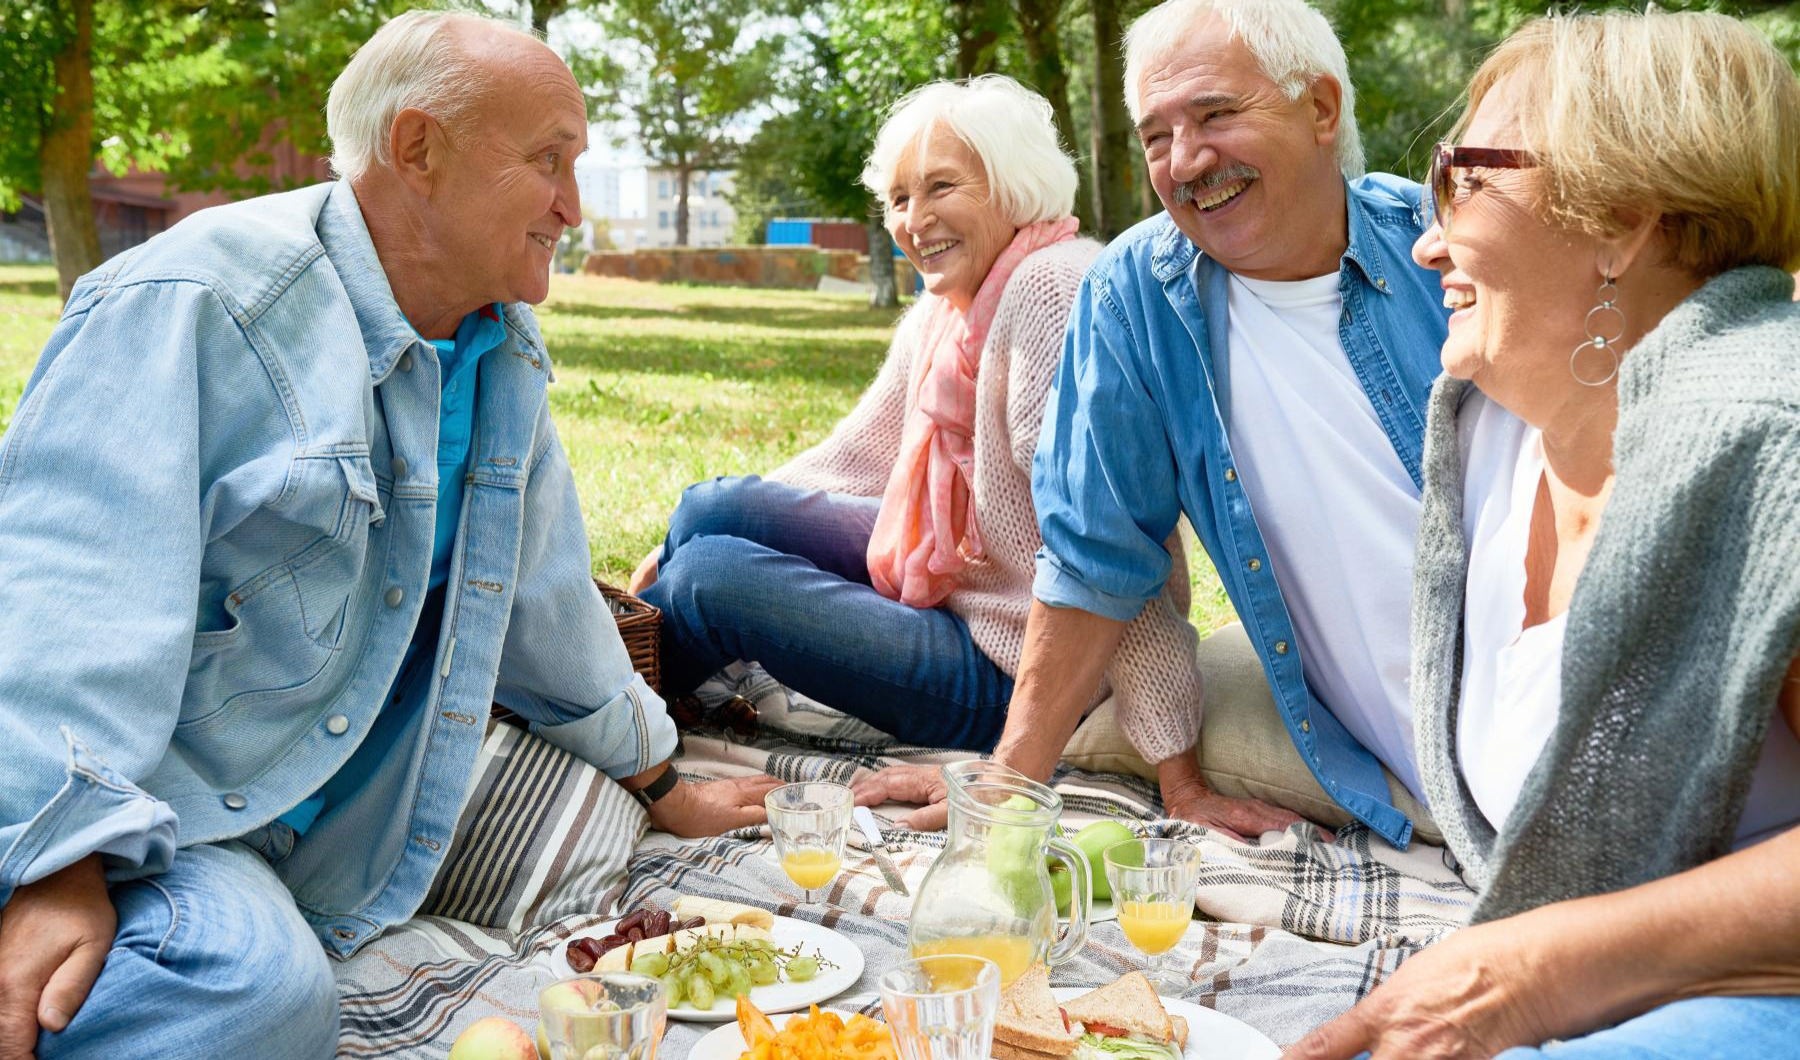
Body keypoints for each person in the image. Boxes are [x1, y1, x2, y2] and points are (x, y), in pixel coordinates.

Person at [0, 13, 775, 1058]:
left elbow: (547, 608)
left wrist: (664, 782)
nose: (572, 207)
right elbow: (62, 590)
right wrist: (59, 858)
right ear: (419, 149)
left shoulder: (499, 350)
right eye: (549, 161)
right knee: (255, 997)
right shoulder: (198, 302)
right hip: (157, 818)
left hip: (317, 850)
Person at [1288, 11, 1800, 1058]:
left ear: (1620, 219)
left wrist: (1531, 971)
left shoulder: (1769, 443)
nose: (1427, 238)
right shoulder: (1488, 441)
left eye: (1461, 178)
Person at [859, 0, 1450, 840]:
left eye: (1215, 115)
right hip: (1438, 748)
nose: (1188, 160)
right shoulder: (1137, 295)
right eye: (1157, 135)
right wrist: (1008, 783)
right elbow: (1097, 558)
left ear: (1320, 108)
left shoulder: (1447, 244)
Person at [631, 76, 1203, 756]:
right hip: (964, 577)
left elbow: (1107, 546)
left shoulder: (1054, 291)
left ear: (1012, 184)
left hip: (1018, 673)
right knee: (708, 511)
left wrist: (1172, 751)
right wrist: (681, 536)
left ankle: (607, 713)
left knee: (708, 581)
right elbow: (857, 459)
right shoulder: (951, 306)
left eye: (941, 189)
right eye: (900, 198)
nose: (912, 220)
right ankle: (641, 672)